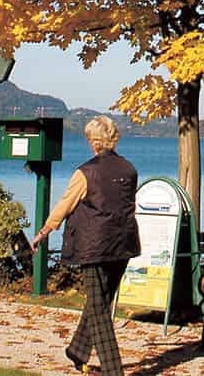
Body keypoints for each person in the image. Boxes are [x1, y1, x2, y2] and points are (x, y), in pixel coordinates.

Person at [31, 116, 140, 375]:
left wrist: (45, 230)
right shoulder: (130, 170)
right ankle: (78, 351)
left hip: (93, 246)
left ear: (93, 142)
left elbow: (66, 204)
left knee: (98, 307)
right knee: (100, 301)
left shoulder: (85, 172)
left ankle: (113, 371)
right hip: (122, 243)